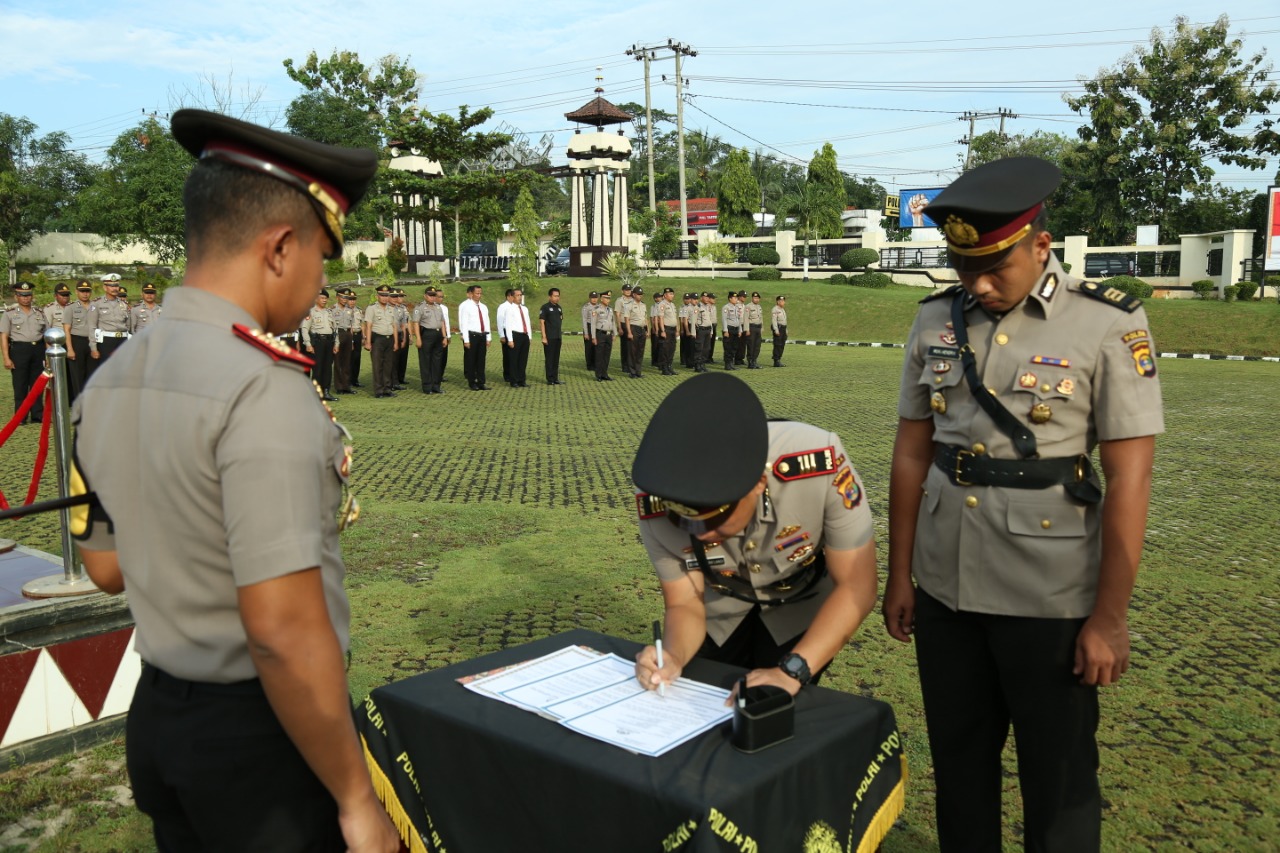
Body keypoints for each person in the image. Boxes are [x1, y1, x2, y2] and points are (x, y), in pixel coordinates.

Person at [70, 108, 398, 853]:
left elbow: (106, 568)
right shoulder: (262, 388)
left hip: (159, 718)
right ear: (280, 248)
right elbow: (281, 631)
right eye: (323, 257)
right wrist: (354, 795)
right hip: (264, 741)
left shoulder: (109, 381)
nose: (321, 284)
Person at [882, 156, 1164, 852]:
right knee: (960, 767)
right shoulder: (933, 322)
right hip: (946, 589)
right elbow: (912, 453)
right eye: (959, 265)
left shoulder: (1106, 324)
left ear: (1041, 245)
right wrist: (899, 573)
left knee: (1060, 780)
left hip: (1053, 599)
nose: (975, 283)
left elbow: (1130, 479)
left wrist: (1110, 617)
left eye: (993, 267)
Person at [632, 373, 878, 695]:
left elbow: (857, 585)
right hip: (719, 611)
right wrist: (674, 657)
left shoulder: (820, 465)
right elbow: (685, 603)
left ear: (758, 484)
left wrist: (792, 671)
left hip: (799, 604)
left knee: (778, 707)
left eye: (717, 519)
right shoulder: (658, 494)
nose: (703, 535)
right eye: (687, 523)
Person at [1, 281, 48, 424]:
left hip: (38, 349)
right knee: (20, 384)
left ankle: (37, 415)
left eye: (28, 295)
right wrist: (6, 358)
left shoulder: (39, 313)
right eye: (22, 295)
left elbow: (46, 334)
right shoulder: (9, 314)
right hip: (19, 350)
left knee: (37, 383)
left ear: (32, 296)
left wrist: (48, 355)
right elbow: (4, 336)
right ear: (16, 297)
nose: (25, 298)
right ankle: (21, 416)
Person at [89, 273, 131, 374]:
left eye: (116, 285)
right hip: (106, 342)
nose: (114, 288)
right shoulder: (96, 304)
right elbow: (92, 327)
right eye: (111, 286)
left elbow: (128, 325)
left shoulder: (124, 304)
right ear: (105, 287)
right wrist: (93, 347)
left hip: (122, 340)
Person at [362, 285, 399, 398]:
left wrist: (396, 342)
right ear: (377, 295)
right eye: (382, 295)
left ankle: (387, 389)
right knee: (378, 365)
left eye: (386, 295)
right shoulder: (371, 308)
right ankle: (378, 390)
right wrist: (368, 342)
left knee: (388, 365)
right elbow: (368, 326)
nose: (384, 298)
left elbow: (394, 326)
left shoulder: (392, 309)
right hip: (377, 339)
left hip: (389, 339)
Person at [302, 288, 339, 401]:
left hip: (329, 342)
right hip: (317, 343)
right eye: (322, 298)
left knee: (327, 368)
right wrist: (308, 344)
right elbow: (304, 329)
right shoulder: (311, 312)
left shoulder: (329, 312)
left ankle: (326, 391)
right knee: (317, 369)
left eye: (326, 298)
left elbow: (335, 329)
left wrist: (336, 343)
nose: (324, 300)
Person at [63, 280, 96, 400]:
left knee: (92, 373)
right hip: (77, 342)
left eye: (87, 291)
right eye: (82, 291)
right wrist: (70, 349)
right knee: (78, 375)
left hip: (93, 342)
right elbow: (66, 329)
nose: (85, 294)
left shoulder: (96, 306)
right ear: (76, 292)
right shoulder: (70, 308)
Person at [413, 286, 447, 394]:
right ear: (425, 296)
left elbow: (442, 322)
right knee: (425, 361)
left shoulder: (438, 307)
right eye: (430, 295)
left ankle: (436, 386)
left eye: (434, 296)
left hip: (438, 335)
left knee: (437, 362)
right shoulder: (420, 307)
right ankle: (427, 387)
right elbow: (416, 323)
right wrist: (418, 338)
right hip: (426, 334)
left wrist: (444, 336)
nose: (432, 298)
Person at [458, 283, 492, 390]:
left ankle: (481, 382)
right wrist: (466, 340)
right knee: (471, 360)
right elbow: (464, 323)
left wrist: (488, 337)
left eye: (480, 293)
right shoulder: (466, 307)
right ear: (471, 294)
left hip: (482, 336)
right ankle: (472, 382)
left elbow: (487, 322)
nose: (479, 295)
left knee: (481, 360)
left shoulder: (484, 307)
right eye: (477, 293)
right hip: (472, 335)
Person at [503, 288, 531, 388]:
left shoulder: (525, 309)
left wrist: (529, 336)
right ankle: (514, 380)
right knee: (514, 359)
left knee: (523, 359)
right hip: (515, 335)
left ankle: (521, 380)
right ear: (513, 297)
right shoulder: (510, 309)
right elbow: (508, 325)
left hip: (524, 335)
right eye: (517, 295)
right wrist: (510, 339)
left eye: (521, 295)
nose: (519, 297)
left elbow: (527, 323)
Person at [332, 287, 357, 394]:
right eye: (342, 297)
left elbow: (351, 326)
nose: (344, 299)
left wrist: (351, 341)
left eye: (346, 297)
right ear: (337, 297)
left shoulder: (350, 310)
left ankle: (346, 386)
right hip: (338, 334)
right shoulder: (332, 309)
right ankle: (339, 386)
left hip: (347, 334)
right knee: (337, 362)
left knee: (347, 362)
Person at [538, 286, 564, 385]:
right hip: (549, 337)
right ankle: (550, 379)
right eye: (555, 296)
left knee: (556, 359)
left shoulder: (559, 308)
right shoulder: (545, 307)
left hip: (557, 337)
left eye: (558, 296)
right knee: (549, 359)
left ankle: (555, 378)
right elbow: (542, 322)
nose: (557, 298)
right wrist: (544, 336)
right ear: (550, 296)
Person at [590, 291, 616, 381]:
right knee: (599, 355)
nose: (608, 300)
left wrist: (614, 333)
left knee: (607, 355)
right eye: (606, 298)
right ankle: (598, 375)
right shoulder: (596, 309)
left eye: (609, 298)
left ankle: (605, 374)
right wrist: (593, 337)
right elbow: (593, 324)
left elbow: (613, 322)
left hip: (609, 334)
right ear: (601, 299)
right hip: (600, 334)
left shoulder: (610, 309)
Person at [655, 287, 678, 376]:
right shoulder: (662, 304)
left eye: (673, 294)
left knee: (672, 348)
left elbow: (675, 318)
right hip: (666, 329)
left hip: (672, 329)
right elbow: (660, 318)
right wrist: (662, 330)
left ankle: (669, 366)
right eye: (670, 294)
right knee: (665, 349)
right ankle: (664, 368)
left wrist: (677, 329)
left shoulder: (672, 305)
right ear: (665, 295)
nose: (672, 295)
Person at [721, 290, 742, 370]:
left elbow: (739, 319)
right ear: (730, 299)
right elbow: (724, 319)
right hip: (729, 329)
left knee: (734, 347)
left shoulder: (737, 307)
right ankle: (727, 364)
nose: (736, 299)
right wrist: (725, 330)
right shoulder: (726, 307)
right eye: (734, 297)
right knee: (728, 348)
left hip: (736, 329)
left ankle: (731, 363)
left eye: (737, 297)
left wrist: (740, 330)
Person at [743, 291, 764, 369]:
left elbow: (761, 318)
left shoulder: (759, 307)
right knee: (751, 345)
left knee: (757, 346)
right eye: (755, 298)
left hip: (758, 327)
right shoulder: (748, 307)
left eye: (758, 298)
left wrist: (762, 327)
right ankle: (750, 362)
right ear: (752, 298)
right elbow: (746, 319)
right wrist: (747, 329)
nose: (756, 299)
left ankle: (754, 360)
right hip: (751, 327)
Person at [581, 291, 599, 371]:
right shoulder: (586, 307)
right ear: (590, 298)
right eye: (593, 298)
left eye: (595, 298)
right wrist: (586, 333)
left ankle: (596, 364)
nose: (594, 300)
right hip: (588, 326)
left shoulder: (599, 306)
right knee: (589, 347)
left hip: (596, 328)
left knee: (596, 347)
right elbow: (584, 320)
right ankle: (589, 365)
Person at [771, 295, 788, 367]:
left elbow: (784, 321)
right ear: (777, 302)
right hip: (779, 328)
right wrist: (776, 330)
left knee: (782, 344)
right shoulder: (775, 309)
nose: (783, 302)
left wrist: (786, 330)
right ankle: (776, 360)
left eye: (783, 301)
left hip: (783, 328)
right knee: (777, 344)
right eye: (781, 301)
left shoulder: (782, 310)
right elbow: (774, 320)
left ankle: (779, 359)